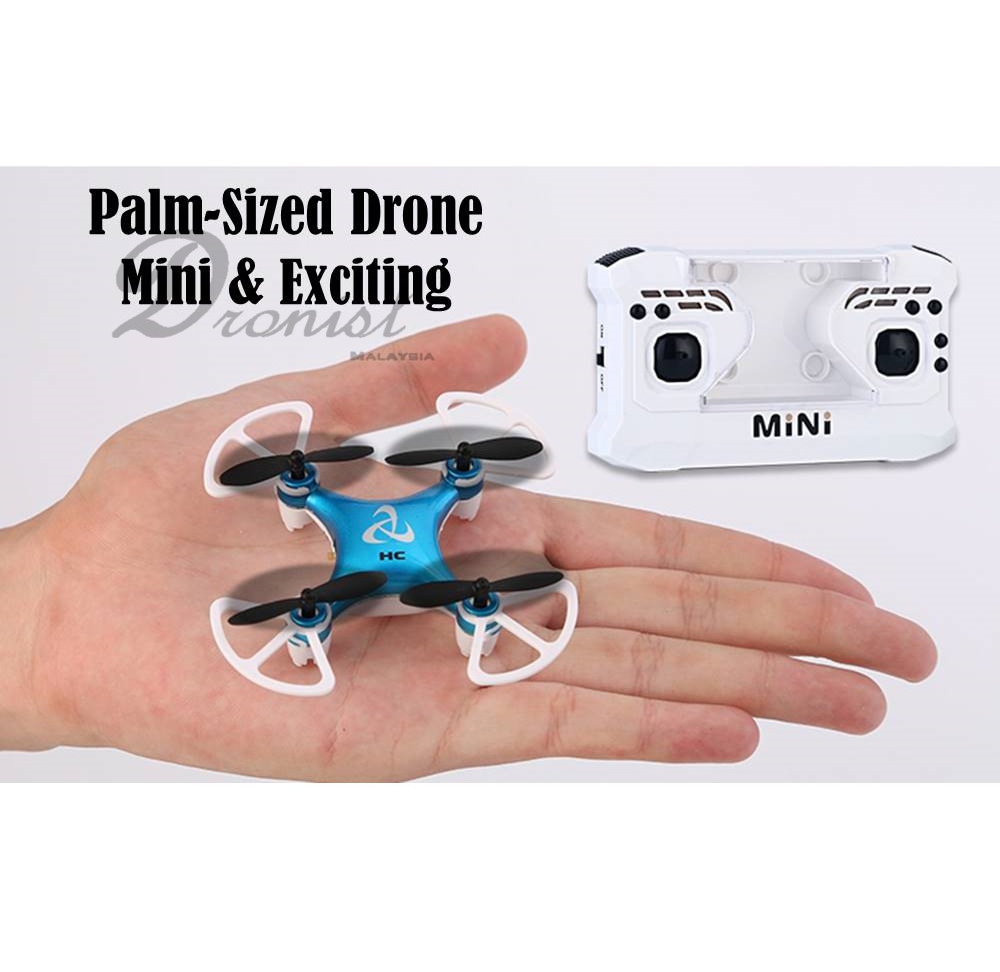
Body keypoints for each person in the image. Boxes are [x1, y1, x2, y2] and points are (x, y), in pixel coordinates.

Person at [0, 315, 936, 780]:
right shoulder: (342, 512)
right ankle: (401, 618)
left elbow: (430, 495)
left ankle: (429, 616)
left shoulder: (422, 510)